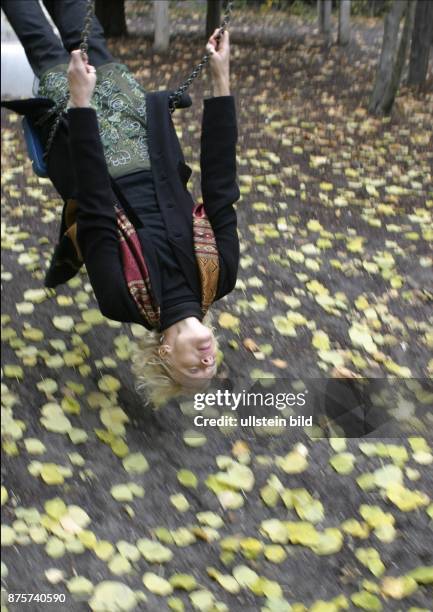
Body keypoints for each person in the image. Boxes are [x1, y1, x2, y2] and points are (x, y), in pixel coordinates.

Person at [1, 0, 240, 406]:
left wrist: (80, 104)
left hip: (87, 142)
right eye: (213, 363)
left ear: (166, 353)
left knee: (43, 42)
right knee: (88, 30)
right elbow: (220, 185)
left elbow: (96, 204)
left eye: (195, 368)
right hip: (144, 131)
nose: (207, 358)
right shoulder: (220, 275)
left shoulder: (121, 299)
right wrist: (221, 81)